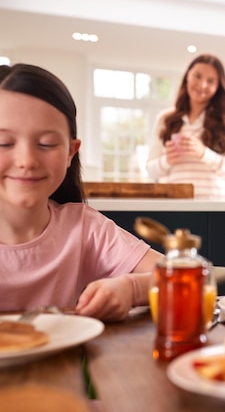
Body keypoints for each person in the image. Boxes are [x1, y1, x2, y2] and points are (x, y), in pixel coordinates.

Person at [0, 63, 162, 321]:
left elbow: (194, 276)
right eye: (4, 143)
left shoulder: (83, 227)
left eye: (46, 144)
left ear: (70, 152)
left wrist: (131, 289)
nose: (26, 160)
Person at [145, 54, 225, 200]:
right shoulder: (165, 119)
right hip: (175, 204)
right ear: (187, 76)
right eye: (197, 76)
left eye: (211, 81)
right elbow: (151, 170)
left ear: (218, 87)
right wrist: (167, 159)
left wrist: (203, 153)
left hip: (215, 206)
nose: (202, 85)